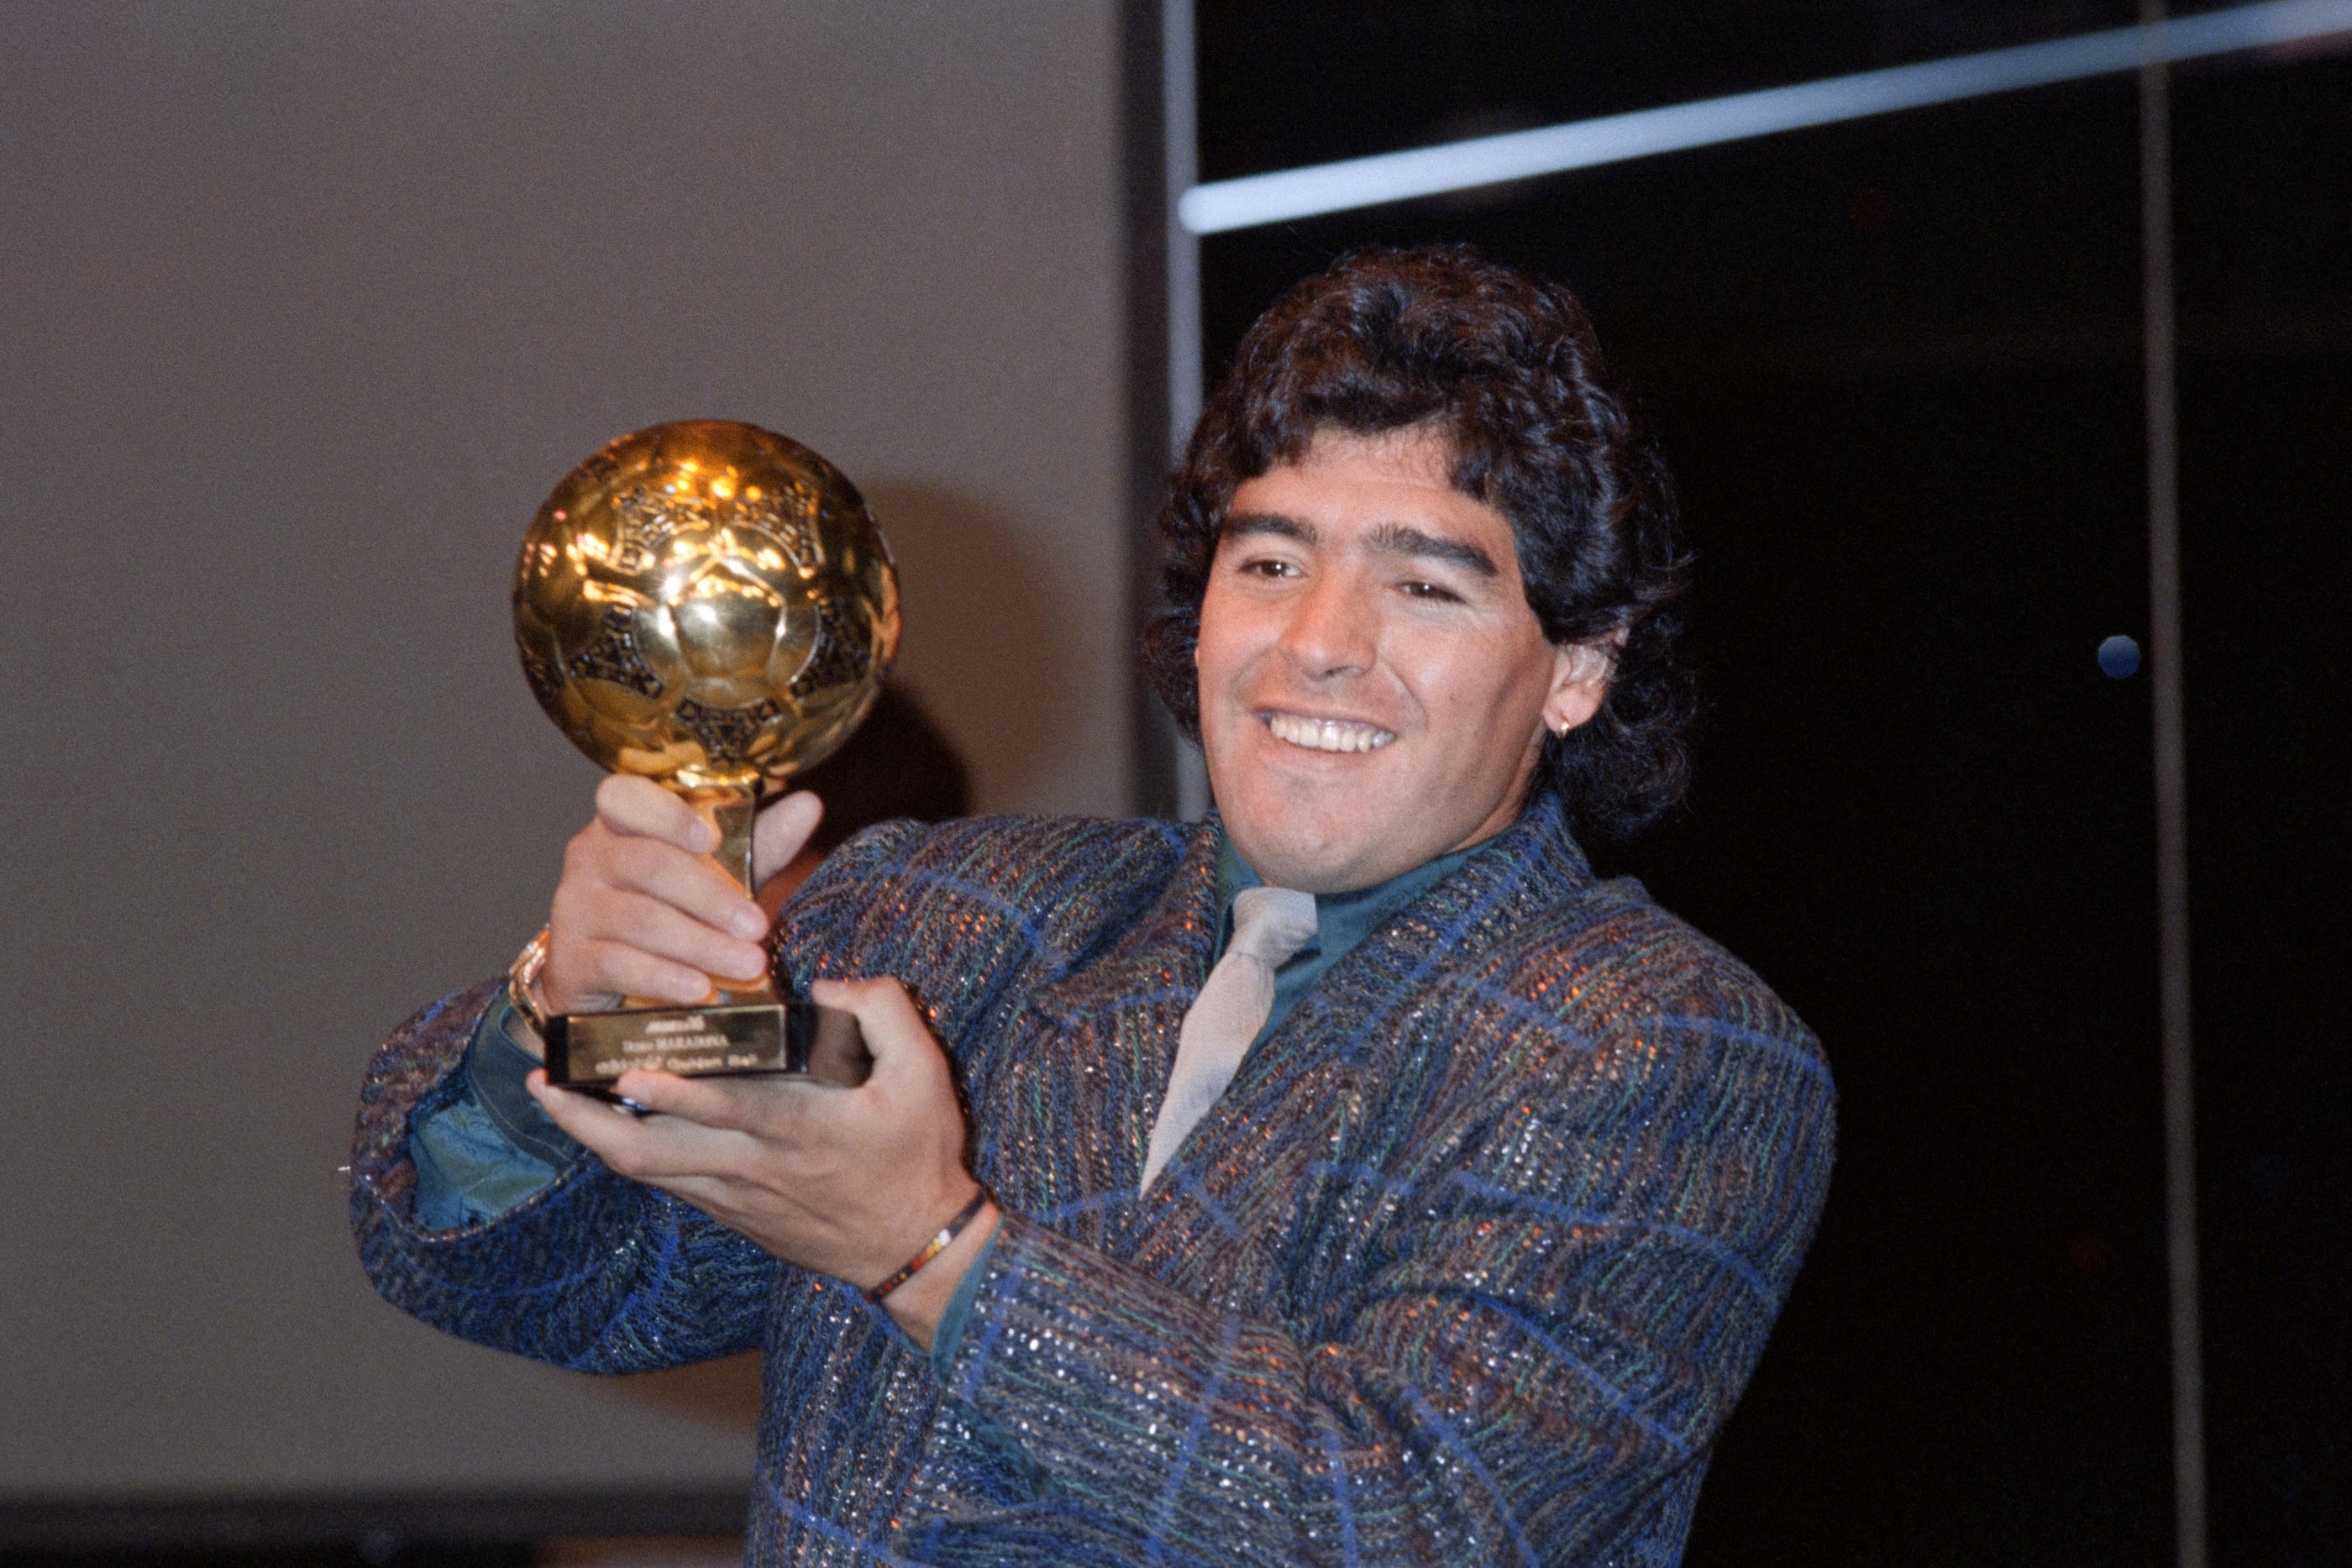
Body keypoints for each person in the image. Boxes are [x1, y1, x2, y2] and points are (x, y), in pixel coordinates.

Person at [352, 244, 1835, 1566]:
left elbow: (1408, 1516)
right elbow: (535, 1278)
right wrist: (562, 1012)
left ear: (1577, 667)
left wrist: (931, 1253)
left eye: (1426, 588)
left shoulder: (1667, 1050)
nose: (1317, 644)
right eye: (1270, 562)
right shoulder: (948, 918)